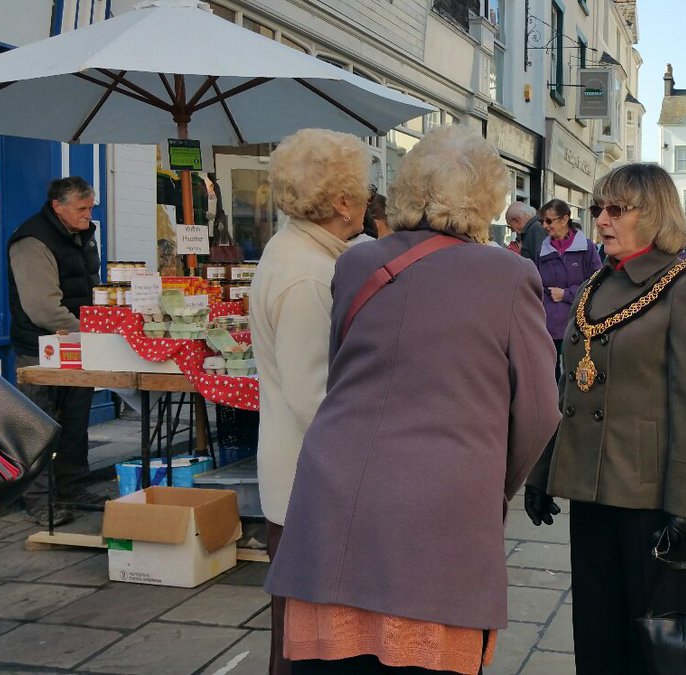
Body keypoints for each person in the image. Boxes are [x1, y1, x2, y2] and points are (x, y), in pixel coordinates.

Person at [264, 126, 560, 675]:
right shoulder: (509, 274)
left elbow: (342, 376)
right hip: (440, 506)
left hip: (334, 496)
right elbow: (542, 411)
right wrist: (494, 482)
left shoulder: (356, 263)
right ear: (488, 199)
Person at [524, 163, 686, 675]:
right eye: (597, 209)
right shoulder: (596, 285)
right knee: (597, 635)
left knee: (652, 645)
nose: (602, 221)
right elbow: (570, 390)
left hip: (649, 499)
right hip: (591, 489)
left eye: (617, 210)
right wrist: (546, 471)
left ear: (652, 214)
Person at [250, 128, 372, 675]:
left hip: (301, 475)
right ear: (342, 201)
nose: (371, 197)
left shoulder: (304, 253)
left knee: (300, 637)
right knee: (302, 645)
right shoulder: (307, 273)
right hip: (308, 481)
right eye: (365, 187)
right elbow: (315, 397)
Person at [8, 176, 101, 526]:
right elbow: (42, 308)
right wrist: (89, 332)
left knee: (75, 422)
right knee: (39, 425)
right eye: (81, 207)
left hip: (76, 343)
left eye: (90, 206)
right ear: (57, 206)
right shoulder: (32, 241)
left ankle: (73, 487)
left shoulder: (80, 234)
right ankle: (39, 500)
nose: (88, 213)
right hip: (41, 347)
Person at [536, 198, 601, 379]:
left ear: (565, 220)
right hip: (549, 323)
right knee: (550, 374)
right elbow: (536, 283)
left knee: (577, 371)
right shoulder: (542, 250)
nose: (545, 226)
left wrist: (566, 294)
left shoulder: (587, 248)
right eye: (543, 222)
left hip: (577, 321)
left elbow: (596, 282)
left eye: (549, 221)